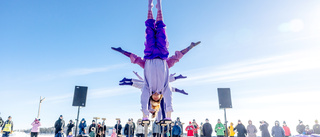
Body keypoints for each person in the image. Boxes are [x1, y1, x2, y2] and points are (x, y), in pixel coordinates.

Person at [111, 0, 201, 121]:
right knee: (161, 31)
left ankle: (149, 7)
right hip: (163, 54)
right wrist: (189, 48)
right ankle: (159, 8)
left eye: (154, 97)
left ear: (151, 97)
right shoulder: (165, 86)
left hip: (149, 54)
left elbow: (136, 60)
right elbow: (176, 59)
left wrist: (145, 116)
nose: (156, 96)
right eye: (158, 97)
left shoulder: (147, 87)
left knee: (149, 31)